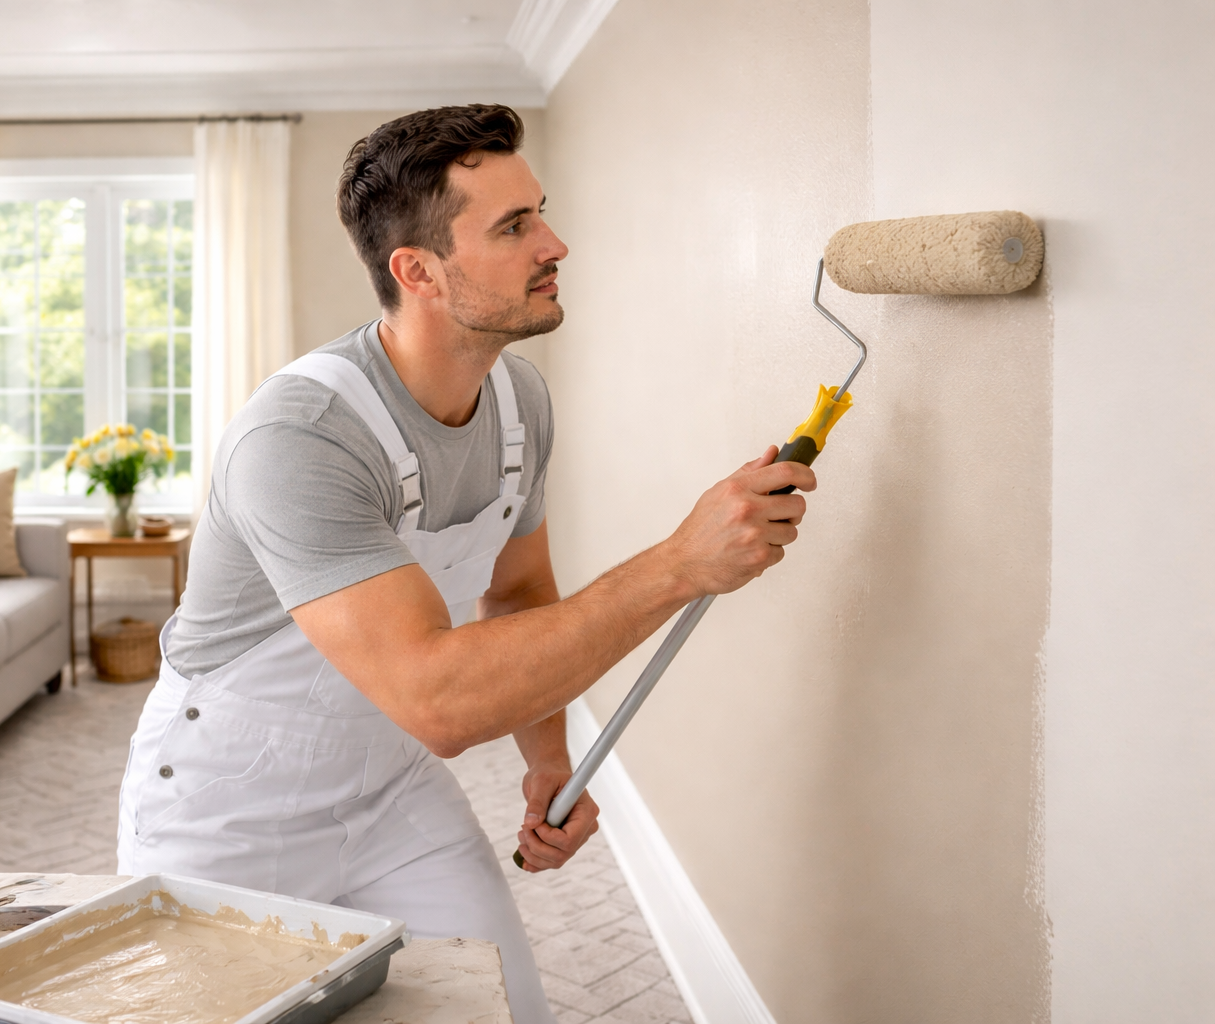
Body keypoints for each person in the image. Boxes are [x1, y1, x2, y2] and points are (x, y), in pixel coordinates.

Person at [117, 104, 814, 1024]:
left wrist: (547, 761)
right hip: (229, 814)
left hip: (386, 789)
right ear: (419, 271)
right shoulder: (301, 437)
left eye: (541, 213)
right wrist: (680, 565)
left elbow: (518, 593)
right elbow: (437, 703)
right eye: (515, 226)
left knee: (502, 1005)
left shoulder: (517, 401)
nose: (555, 243)